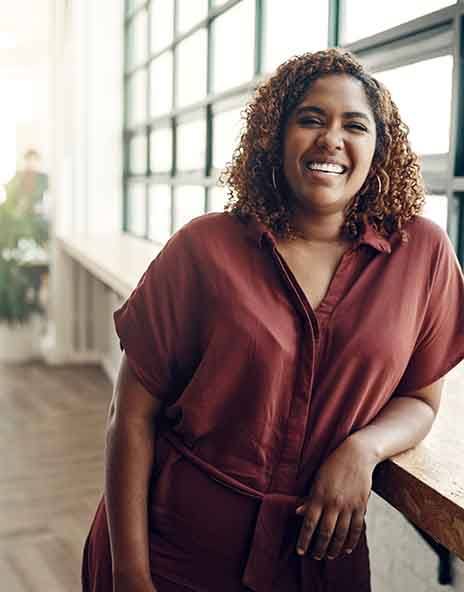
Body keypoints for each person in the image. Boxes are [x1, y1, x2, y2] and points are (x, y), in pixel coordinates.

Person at [82, 48, 464, 592]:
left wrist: (363, 448)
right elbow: (132, 417)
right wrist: (130, 575)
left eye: (354, 125)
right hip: (175, 555)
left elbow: (422, 401)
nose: (331, 138)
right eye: (311, 119)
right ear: (275, 137)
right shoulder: (203, 248)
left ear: (379, 148)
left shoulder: (421, 253)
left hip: (319, 561)